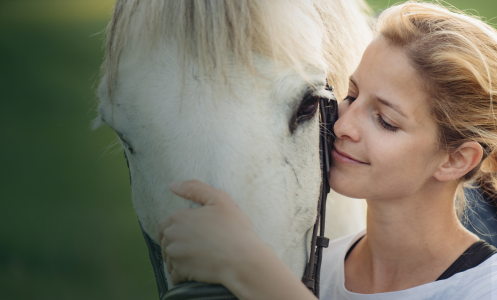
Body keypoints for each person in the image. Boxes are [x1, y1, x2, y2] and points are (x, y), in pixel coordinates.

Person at [157, 1, 497, 299]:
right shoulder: (308, 268)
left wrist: (249, 269)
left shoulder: (485, 288)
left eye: (386, 121)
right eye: (351, 95)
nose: (342, 126)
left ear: (455, 160)